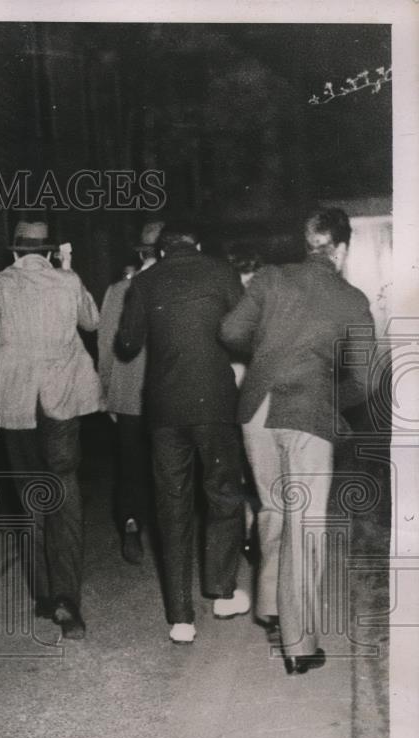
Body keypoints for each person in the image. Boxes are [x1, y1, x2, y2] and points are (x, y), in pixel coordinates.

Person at [220, 208, 374, 675]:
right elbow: (365, 381)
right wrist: (328, 398)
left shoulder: (270, 278)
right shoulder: (352, 299)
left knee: (272, 509)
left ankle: (270, 607)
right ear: (342, 248)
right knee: (306, 524)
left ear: (308, 243)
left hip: (256, 411)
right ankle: (299, 645)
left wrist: (267, 353)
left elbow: (229, 331)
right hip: (307, 415)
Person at [0, 221, 101, 640]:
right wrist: (68, 266)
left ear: (14, 253)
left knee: (29, 495)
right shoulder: (67, 280)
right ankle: (67, 599)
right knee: (64, 492)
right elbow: (93, 323)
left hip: (16, 404)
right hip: (61, 401)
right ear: (47, 251)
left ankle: (42, 593)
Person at [116, 220, 248, 644]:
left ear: (160, 248)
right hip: (215, 404)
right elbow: (243, 332)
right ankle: (223, 592)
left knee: (170, 506)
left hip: (165, 410)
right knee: (223, 493)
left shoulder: (146, 280)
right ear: (197, 242)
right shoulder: (221, 272)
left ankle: (181, 618)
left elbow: (128, 345)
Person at [97, 220, 163, 564]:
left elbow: (106, 346)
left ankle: (131, 522)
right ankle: (166, 534)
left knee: (130, 466)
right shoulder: (175, 288)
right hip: (167, 396)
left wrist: (106, 391)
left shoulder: (117, 291)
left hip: (127, 396)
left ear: (140, 253)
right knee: (166, 467)